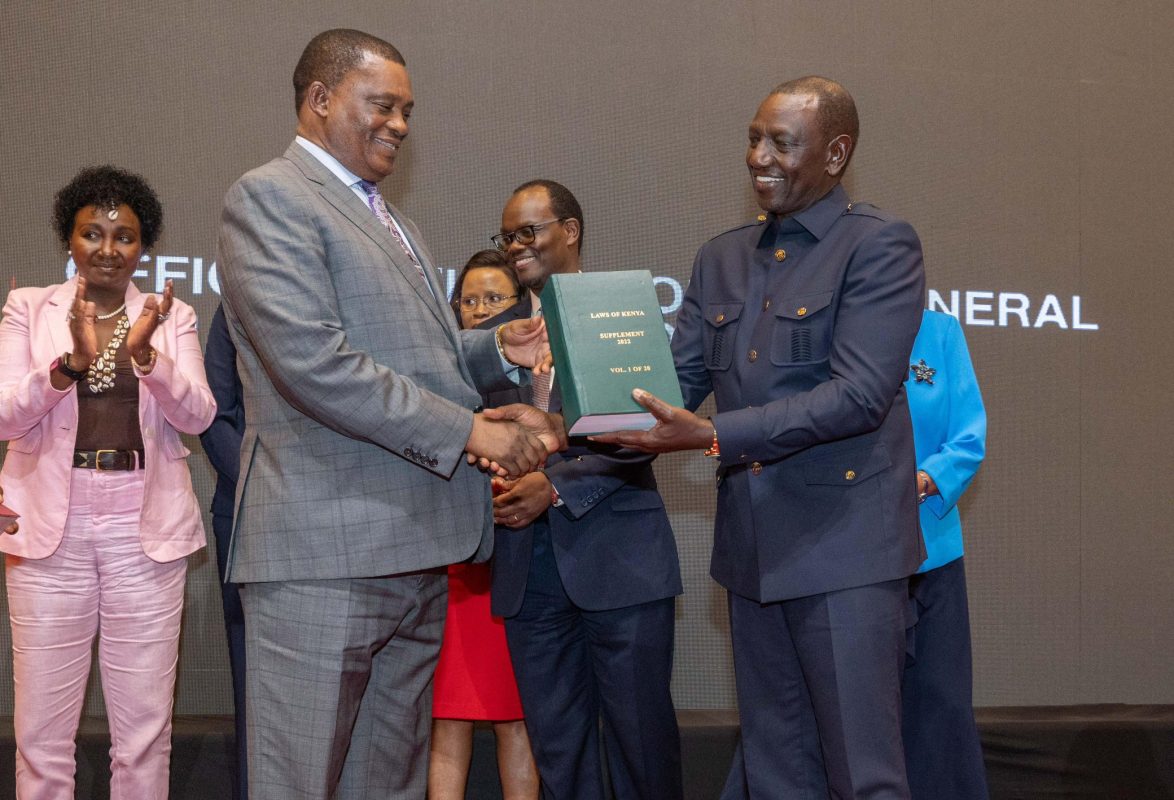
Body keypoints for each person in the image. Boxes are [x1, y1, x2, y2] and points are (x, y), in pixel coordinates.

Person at [214, 29, 564, 800]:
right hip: (324, 558)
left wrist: (494, 350)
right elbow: (315, 365)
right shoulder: (270, 197)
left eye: (407, 110)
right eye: (383, 105)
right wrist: (472, 430)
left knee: (388, 786)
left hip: (414, 552)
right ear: (320, 99)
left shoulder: (391, 219)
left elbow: (413, 358)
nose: (400, 125)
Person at [596, 77, 926, 798]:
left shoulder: (878, 245)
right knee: (777, 773)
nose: (759, 157)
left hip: (844, 550)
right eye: (753, 138)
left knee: (863, 774)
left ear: (836, 153)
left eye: (781, 142)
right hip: (752, 555)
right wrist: (567, 407)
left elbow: (859, 396)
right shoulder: (721, 257)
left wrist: (713, 434)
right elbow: (672, 388)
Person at [0, 165, 215, 798]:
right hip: (49, 528)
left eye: (124, 236)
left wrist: (148, 356)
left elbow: (199, 415)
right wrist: (68, 364)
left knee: (144, 733)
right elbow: (5, 414)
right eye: (92, 233)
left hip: (143, 527)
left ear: (143, 246)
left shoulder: (170, 316)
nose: (108, 249)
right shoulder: (27, 308)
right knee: (41, 735)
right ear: (68, 239)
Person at [486, 180, 684, 800]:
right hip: (526, 570)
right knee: (559, 753)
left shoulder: (622, 314)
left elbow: (647, 429)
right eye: (507, 236)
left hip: (620, 561)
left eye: (529, 231)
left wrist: (555, 485)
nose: (516, 246)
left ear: (570, 231)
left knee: (640, 747)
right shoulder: (494, 340)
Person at [430, 249, 539, 800]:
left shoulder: (537, 375)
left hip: (515, 557)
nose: (478, 309)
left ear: (519, 305)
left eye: (493, 298)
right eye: (468, 300)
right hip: (452, 563)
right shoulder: (437, 373)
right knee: (447, 714)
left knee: (514, 716)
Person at [902, 309, 989, 799]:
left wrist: (923, 481)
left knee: (941, 706)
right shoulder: (827, 324)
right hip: (848, 560)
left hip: (932, 554)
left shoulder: (938, 331)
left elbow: (967, 440)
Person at [198, 302, 248, 800]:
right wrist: (265, 491)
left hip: (357, 516)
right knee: (255, 681)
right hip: (251, 513)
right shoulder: (237, 302)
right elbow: (214, 413)